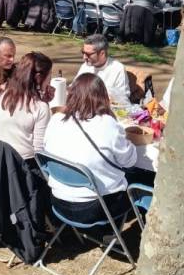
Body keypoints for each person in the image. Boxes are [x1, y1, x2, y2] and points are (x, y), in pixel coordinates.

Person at [41, 73, 137, 223]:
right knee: (136, 177)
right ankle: (114, 231)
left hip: (58, 201)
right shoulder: (107, 124)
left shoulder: (56, 119)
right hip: (95, 208)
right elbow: (130, 161)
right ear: (102, 97)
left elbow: (46, 149)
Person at [0, 52, 54, 160]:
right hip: (22, 163)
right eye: (49, 75)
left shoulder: (5, 94)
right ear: (39, 77)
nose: (50, 80)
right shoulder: (40, 108)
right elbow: (39, 150)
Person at [77, 34, 130, 104]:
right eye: (83, 52)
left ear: (102, 53)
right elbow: (74, 88)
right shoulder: (86, 66)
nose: (84, 57)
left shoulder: (117, 69)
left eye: (88, 54)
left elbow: (123, 99)